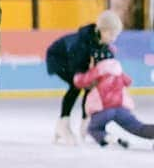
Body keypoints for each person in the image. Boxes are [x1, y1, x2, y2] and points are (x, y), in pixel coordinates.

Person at [45, 10, 123, 144]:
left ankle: (85, 124)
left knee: (89, 85)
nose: (113, 39)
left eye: (115, 35)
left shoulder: (104, 46)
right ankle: (63, 125)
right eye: (111, 34)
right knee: (76, 85)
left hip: (74, 59)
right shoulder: (82, 43)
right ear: (102, 30)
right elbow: (78, 71)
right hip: (58, 57)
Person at [74, 45, 154, 147]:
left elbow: (82, 81)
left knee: (94, 128)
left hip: (104, 109)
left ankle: (110, 138)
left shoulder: (98, 69)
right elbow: (128, 81)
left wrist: (77, 75)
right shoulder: (118, 70)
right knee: (138, 128)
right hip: (121, 108)